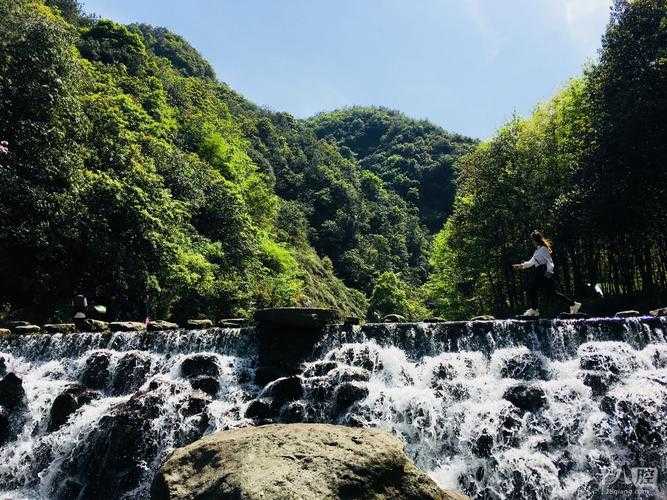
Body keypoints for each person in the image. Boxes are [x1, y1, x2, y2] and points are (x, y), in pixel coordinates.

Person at [512, 230, 581, 317]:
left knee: (532, 288)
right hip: (540, 271)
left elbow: (550, 262)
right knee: (552, 293)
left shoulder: (543, 249)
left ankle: (534, 310)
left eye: (532, 240)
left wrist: (549, 272)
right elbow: (531, 262)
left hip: (543, 272)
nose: (532, 242)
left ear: (535, 240)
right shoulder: (538, 250)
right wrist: (521, 266)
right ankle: (574, 304)